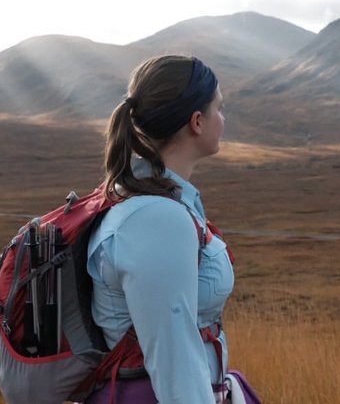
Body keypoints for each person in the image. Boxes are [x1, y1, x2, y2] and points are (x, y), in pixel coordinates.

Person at [84, 55, 234, 403]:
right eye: (220, 109)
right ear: (197, 121)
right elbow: (173, 359)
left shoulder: (157, 200)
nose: (224, 120)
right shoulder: (156, 218)